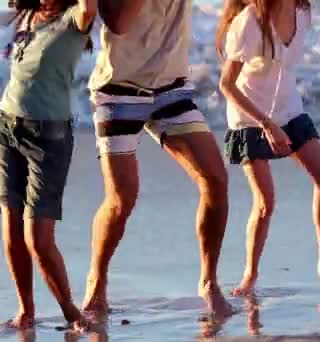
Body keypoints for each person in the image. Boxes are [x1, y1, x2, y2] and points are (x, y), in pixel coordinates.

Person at [81, 0, 233, 318]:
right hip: (118, 90)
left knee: (215, 179)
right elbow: (118, 23)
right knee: (121, 199)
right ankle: (96, 283)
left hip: (172, 90)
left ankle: (209, 281)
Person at [0, 0, 96, 331]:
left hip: (49, 140)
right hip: (6, 132)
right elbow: (17, 89)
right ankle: (25, 312)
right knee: (12, 233)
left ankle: (71, 312)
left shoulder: (75, 19)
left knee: (39, 240)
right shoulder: (28, 18)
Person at [217, 0, 320, 296]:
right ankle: (250, 275)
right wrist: (266, 124)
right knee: (266, 202)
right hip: (250, 117)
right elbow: (227, 85)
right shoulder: (250, 22)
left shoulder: (301, 12)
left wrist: (278, 121)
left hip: (288, 109)